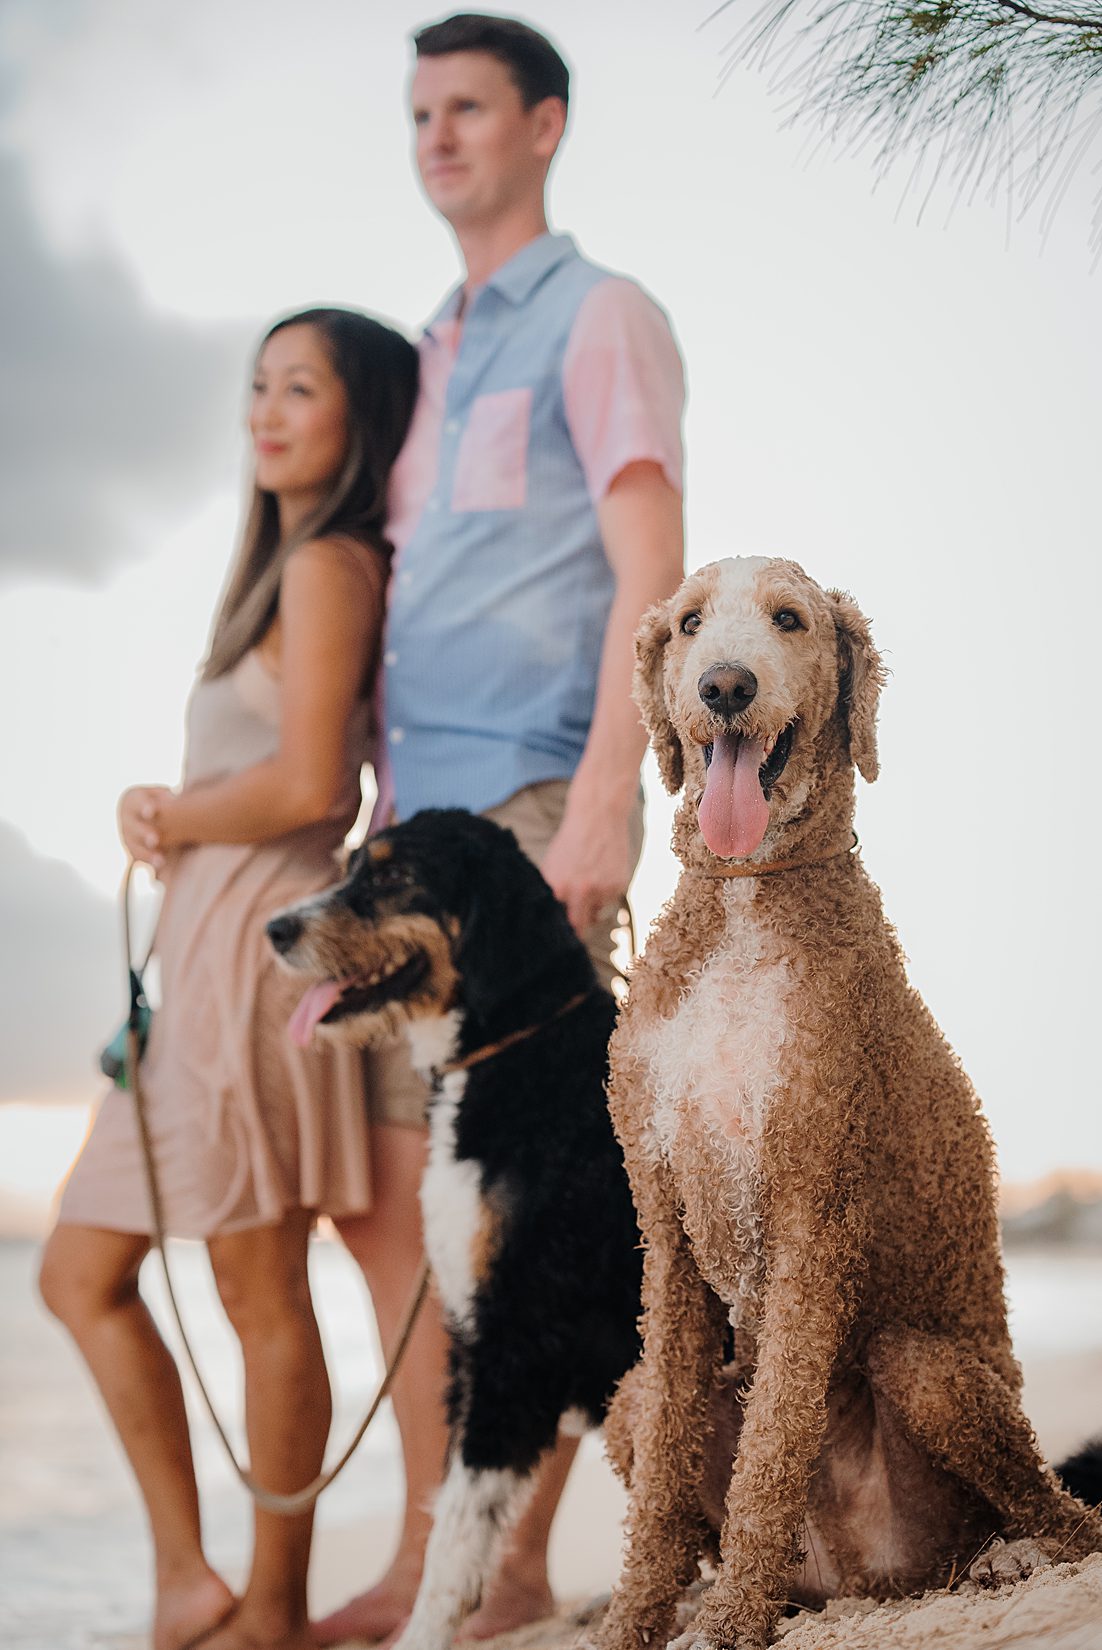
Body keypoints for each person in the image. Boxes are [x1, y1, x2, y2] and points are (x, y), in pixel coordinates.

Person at [314, 15, 686, 1648]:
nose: (436, 137)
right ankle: (442, 1547)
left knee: (529, 1217)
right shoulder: (429, 344)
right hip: (426, 829)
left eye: (467, 108)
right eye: (417, 112)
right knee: (420, 1207)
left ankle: (496, 1572)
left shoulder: (597, 317)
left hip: (541, 808)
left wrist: (605, 799)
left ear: (544, 125)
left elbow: (650, 575)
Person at [39, 308, 419, 1650]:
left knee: (260, 1294)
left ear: (356, 415)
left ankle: (264, 1608)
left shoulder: (328, 564)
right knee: (79, 1271)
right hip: (197, 957)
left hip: (259, 947)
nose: (264, 408)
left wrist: (169, 808)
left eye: (298, 387)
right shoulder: (282, 569)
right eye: (257, 383)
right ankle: (188, 1577)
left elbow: (315, 783)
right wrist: (176, 817)